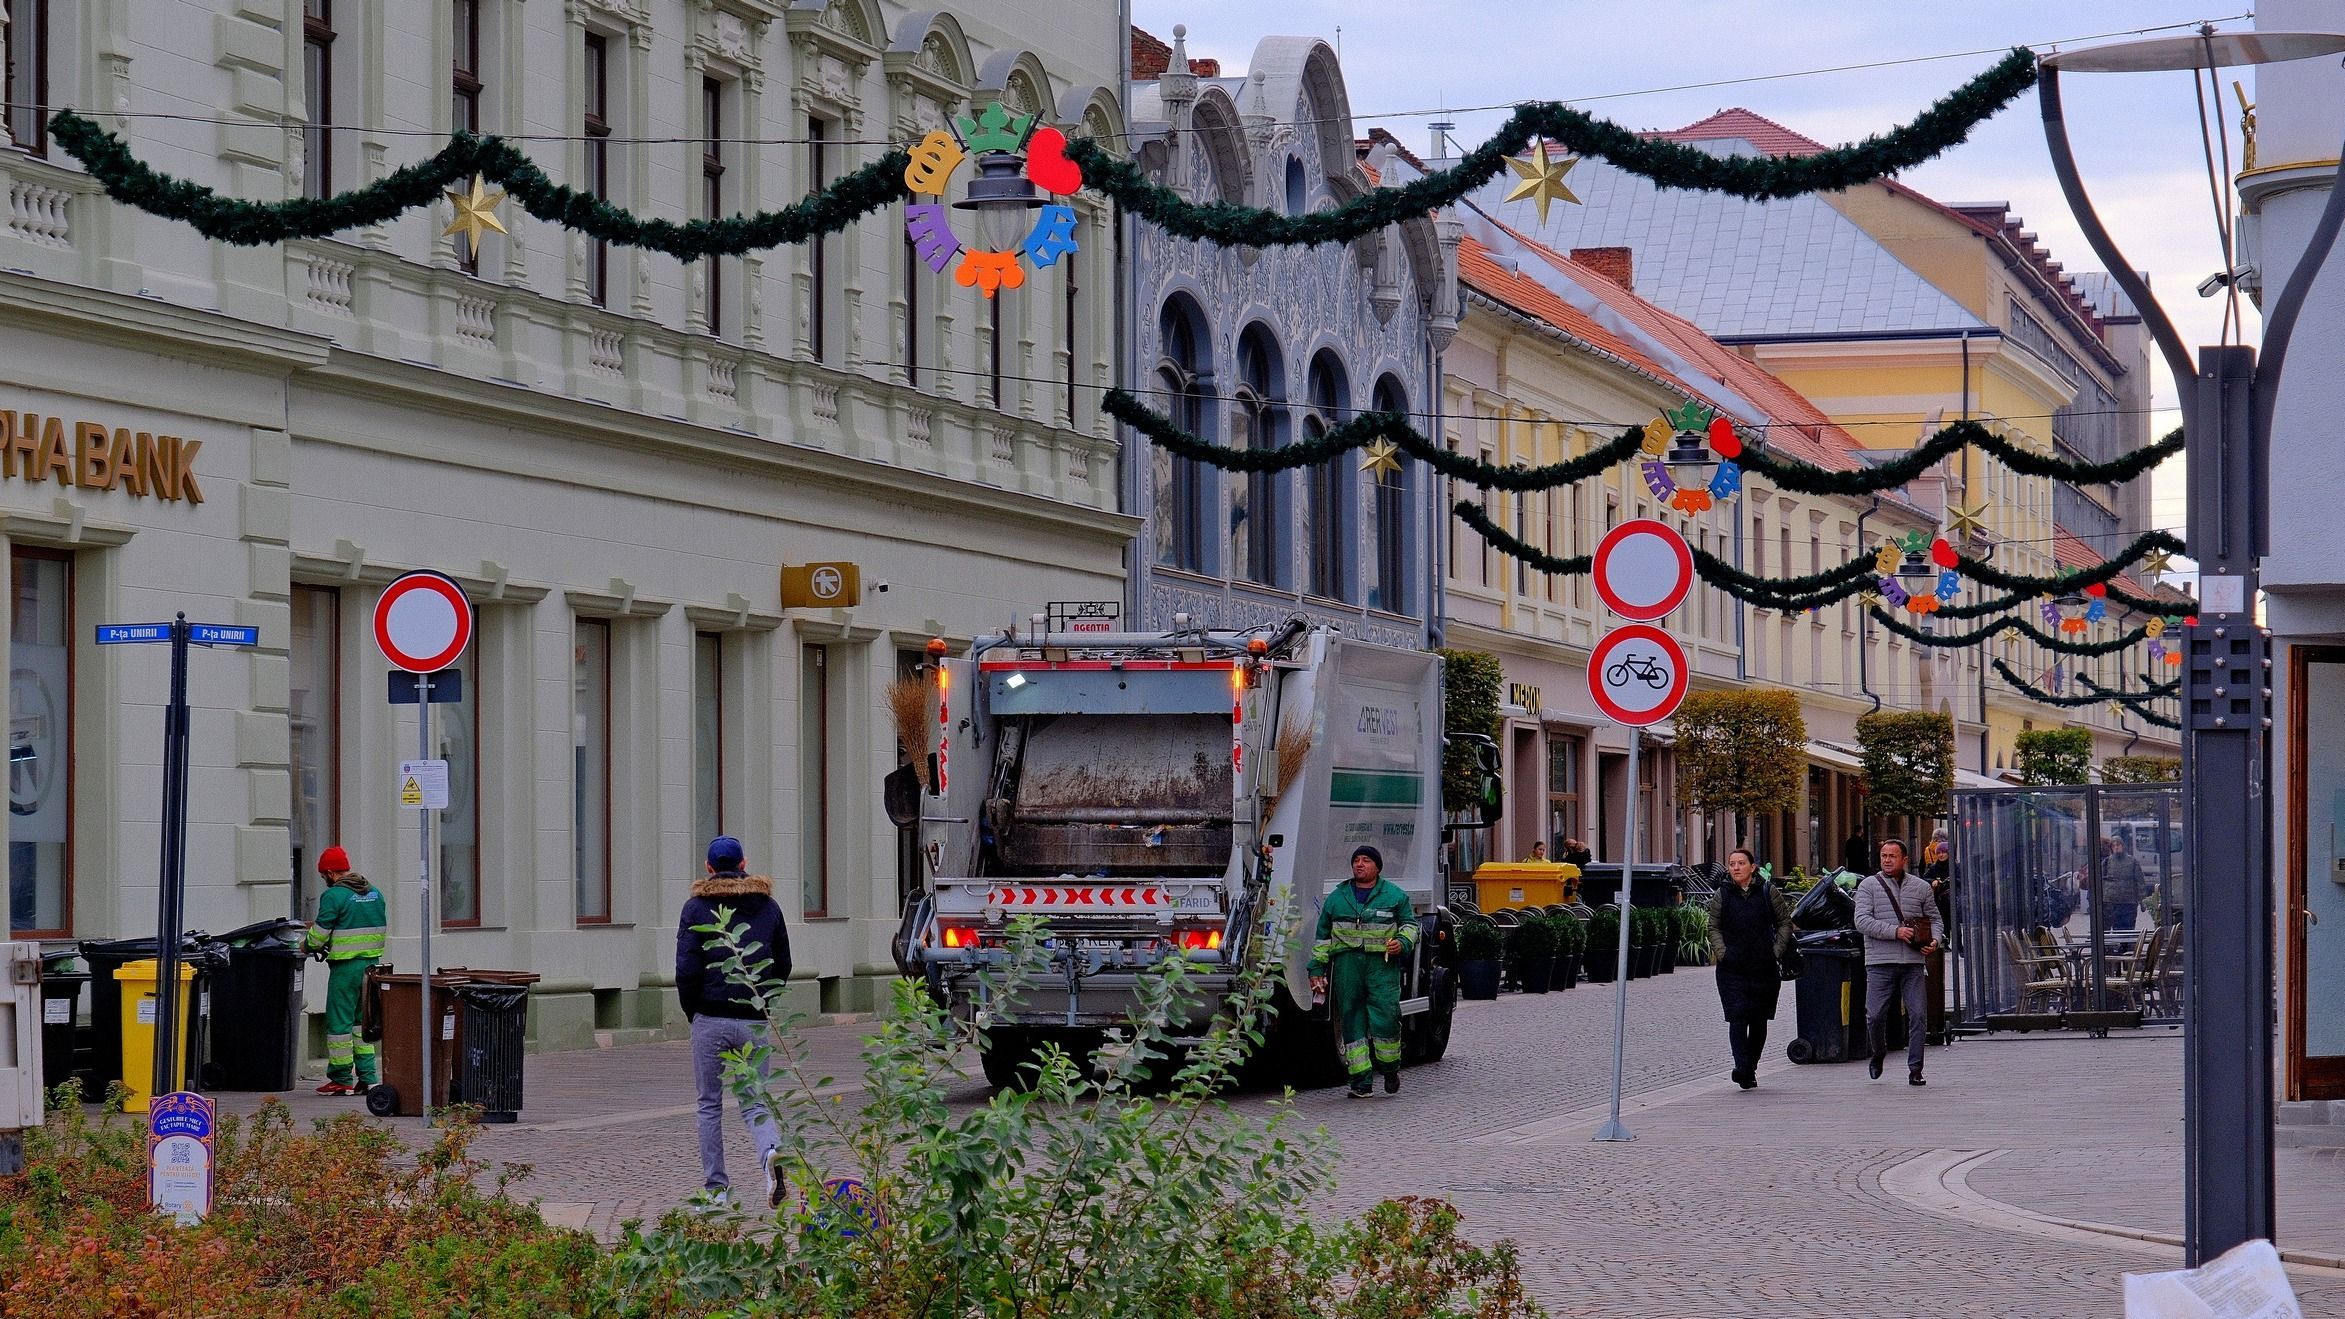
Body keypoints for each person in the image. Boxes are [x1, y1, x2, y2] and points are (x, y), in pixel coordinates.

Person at [675, 835, 791, 1207]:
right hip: (753, 1018)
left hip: (709, 1017)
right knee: (755, 1101)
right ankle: (770, 1152)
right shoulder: (768, 907)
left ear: (708, 869)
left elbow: (686, 970)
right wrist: (763, 1003)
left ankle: (717, 1189)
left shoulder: (695, 909)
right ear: (744, 865)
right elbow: (782, 964)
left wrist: (693, 1011)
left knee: (709, 1104)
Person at [1307, 845, 1418, 1098]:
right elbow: (1322, 938)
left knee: (1386, 1017)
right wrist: (1316, 968)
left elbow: (1411, 925)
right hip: (1347, 966)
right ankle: (1360, 1081)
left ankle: (1390, 1069)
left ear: (1377, 867)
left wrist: (1402, 942)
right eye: (1356, 860)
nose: (1359, 864)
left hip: (1382, 965)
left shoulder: (1394, 896)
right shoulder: (1337, 898)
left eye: (1366, 860)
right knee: (1351, 1020)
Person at [1703, 847, 1794, 1090]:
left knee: (1758, 1018)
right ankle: (1741, 1065)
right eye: (1732, 863)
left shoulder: (1767, 891)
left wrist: (1775, 951)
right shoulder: (1722, 894)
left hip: (1763, 967)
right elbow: (1713, 927)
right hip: (1732, 968)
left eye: (1741, 863)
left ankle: (1750, 1067)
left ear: (1752, 867)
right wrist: (1723, 953)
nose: (1735, 868)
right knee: (1738, 1016)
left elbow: (1785, 923)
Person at [1854, 839, 1939, 1086]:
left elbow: (1934, 918)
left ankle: (1915, 1069)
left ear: (1904, 859)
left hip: (1912, 961)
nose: (1888, 860)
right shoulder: (1869, 886)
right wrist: (1895, 932)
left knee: (1918, 1015)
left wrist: (1934, 939)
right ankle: (1879, 1053)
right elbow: (1861, 921)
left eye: (1893, 856)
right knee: (1875, 1015)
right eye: (1883, 856)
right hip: (1880, 961)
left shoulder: (1921, 887)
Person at [302, 846, 386, 1097]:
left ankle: (340, 1078)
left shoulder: (335, 896)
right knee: (363, 1023)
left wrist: (305, 945)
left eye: (323, 876)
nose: (324, 881)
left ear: (331, 872)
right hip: (372, 968)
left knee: (339, 1024)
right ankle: (368, 1077)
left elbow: (319, 935)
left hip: (346, 969)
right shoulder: (374, 893)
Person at [2101, 835, 2144, 932]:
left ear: (2123, 846)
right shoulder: (2107, 862)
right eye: (2114, 845)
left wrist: (2143, 901)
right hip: (2111, 903)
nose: (2116, 847)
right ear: (2111, 847)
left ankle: (2127, 947)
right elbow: (2101, 882)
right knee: (2113, 929)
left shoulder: (2132, 862)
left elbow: (2140, 882)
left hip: (2128, 903)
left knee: (2127, 929)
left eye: (2118, 845)